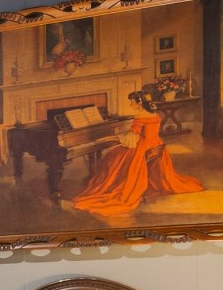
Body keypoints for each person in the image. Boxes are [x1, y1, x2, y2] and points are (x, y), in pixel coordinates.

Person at [72, 91, 204, 214]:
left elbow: (131, 137)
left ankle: (105, 184)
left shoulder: (140, 117)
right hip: (156, 144)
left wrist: (114, 138)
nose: (130, 104)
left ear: (139, 103)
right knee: (116, 156)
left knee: (112, 158)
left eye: (132, 102)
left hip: (143, 148)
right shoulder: (154, 114)